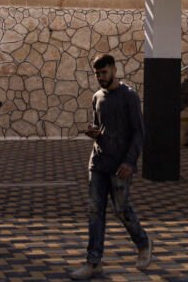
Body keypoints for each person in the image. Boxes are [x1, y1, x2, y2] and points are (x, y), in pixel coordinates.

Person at [70, 54, 152, 280]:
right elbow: (99, 127)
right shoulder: (97, 97)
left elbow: (138, 132)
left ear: (114, 70)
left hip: (120, 166)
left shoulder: (129, 96)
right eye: (97, 74)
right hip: (98, 163)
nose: (100, 77)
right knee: (94, 211)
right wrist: (93, 132)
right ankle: (93, 262)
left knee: (122, 209)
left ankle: (143, 243)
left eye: (104, 72)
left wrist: (129, 162)